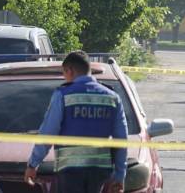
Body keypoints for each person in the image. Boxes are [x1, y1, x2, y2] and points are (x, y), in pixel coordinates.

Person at [24, 51, 128, 193]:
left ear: (70, 70)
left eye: (64, 73)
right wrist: (120, 175)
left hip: (70, 170)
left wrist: (33, 164)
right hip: (99, 171)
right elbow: (121, 139)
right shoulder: (112, 98)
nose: (64, 77)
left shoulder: (63, 95)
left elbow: (48, 132)